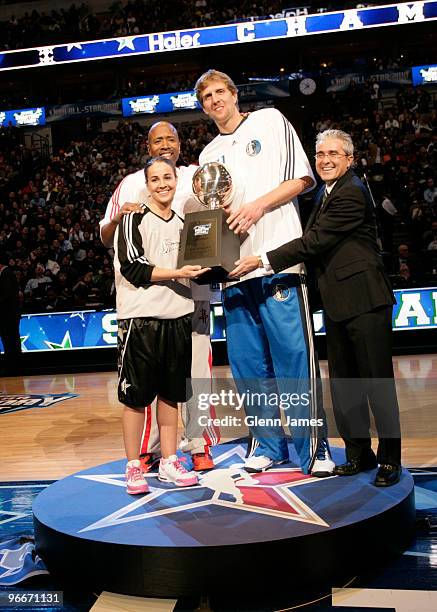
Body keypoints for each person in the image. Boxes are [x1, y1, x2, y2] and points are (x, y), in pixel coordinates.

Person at [231, 129, 402, 487]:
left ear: (349, 159)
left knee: (376, 385)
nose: (324, 159)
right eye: (320, 153)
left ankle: (390, 460)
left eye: (333, 154)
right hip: (338, 305)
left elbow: (314, 242)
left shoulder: (352, 193)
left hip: (367, 301)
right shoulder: (326, 192)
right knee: (344, 386)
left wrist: (262, 259)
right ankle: (359, 454)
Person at [195, 69, 334, 476]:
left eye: (222, 92)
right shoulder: (205, 157)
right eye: (208, 97)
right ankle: (268, 445)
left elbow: (304, 179)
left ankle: (314, 447)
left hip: (278, 261)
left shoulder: (270, 120)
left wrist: (257, 206)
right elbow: (210, 216)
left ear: (236, 95)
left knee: (294, 360)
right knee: (248, 365)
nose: (217, 100)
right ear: (203, 107)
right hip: (235, 270)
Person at [100, 121, 219, 473]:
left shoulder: (198, 177)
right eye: (158, 140)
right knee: (153, 380)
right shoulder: (130, 185)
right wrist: (119, 218)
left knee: (195, 371)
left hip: (191, 297)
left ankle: (200, 443)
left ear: (181, 145)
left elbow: (215, 224)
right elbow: (107, 235)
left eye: (171, 138)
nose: (165, 144)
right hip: (146, 301)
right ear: (148, 146)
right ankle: (151, 451)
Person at [117, 156, 209, 493]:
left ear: (175, 179)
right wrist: (179, 273)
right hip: (140, 319)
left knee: (171, 395)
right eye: (155, 179)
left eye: (167, 177)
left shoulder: (186, 221)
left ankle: (169, 461)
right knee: (135, 398)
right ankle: (133, 466)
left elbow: (202, 261)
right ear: (147, 184)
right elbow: (134, 267)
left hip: (179, 315)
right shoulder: (133, 218)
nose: (162, 184)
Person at [0, 251, 22, 376]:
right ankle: (12, 367)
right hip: (8, 315)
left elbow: (7, 296)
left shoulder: (7, 274)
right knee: (9, 341)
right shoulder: (7, 274)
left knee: (11, 342)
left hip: (8, 316)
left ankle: (13, 368)